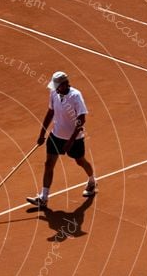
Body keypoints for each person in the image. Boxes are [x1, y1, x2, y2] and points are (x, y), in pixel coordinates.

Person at [27, 71, 96, 208]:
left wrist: (70, 142)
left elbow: (81, 120)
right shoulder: (54, 93)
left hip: (74, 139)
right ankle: (43, 197)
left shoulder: (75, 96)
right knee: (49, 164)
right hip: (56, 136)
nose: (55, 88)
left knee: (80, 161)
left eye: (57, 86)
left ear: (64, 84)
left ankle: (92, 181)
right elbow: (50, 112)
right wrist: (42, 133)